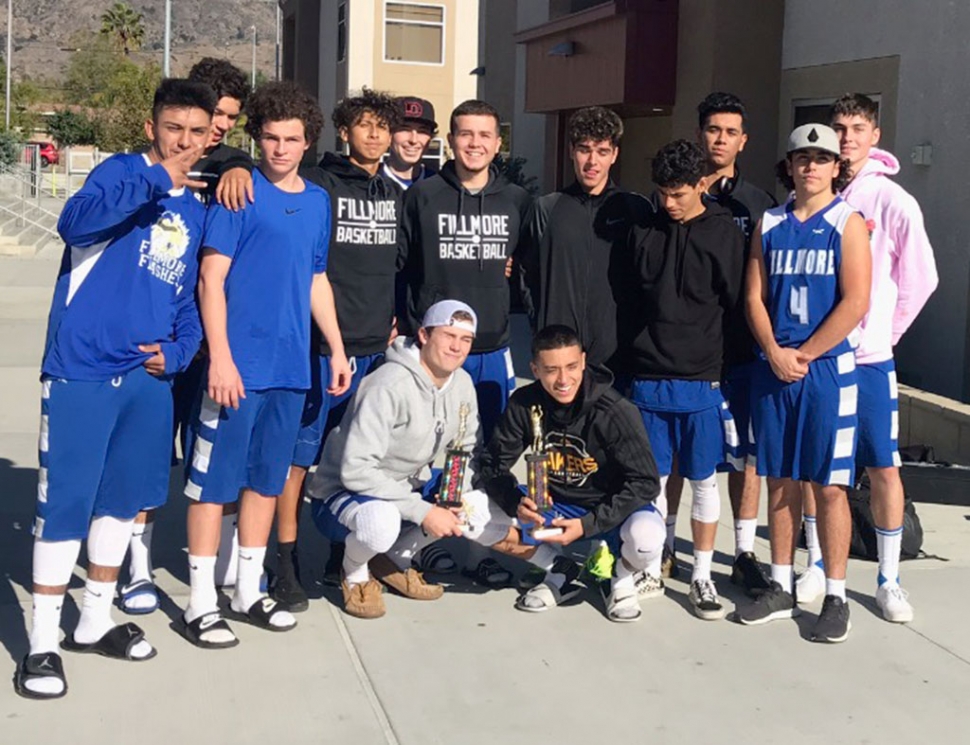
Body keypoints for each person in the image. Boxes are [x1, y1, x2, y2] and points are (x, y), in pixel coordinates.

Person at [14, 78, 214, 699]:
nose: (184, 141)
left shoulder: (196, 206)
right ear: (154, 127)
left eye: (196, 131)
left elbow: (184, 300)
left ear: (211, 135)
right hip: (82, 371)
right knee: (65, 504)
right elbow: (77, 226)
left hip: (146, 382)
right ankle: (43, 644)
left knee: (121, 504)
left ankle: (94, 621)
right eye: (173, 128)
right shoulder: (120, 172)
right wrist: (157, 175)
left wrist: (178, 352)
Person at [179, 81, 349, 648]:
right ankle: (202, 601)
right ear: (259, 139)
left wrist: (338, 347)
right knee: (212, 487)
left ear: (307, 143)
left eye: (291, 139)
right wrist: (221, 360)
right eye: (271, 138)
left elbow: (315, 278)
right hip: (237, 369)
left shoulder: (318, 201)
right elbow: (211, 279)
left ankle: (247, 589)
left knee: (265, 482)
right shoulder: (239, 191)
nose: (280, 148)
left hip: (291, 368)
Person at [796, 94, 937, 623]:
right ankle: (815, 562)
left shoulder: (892, 200)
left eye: (858, 127)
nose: (848, 136)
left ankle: (888, 578)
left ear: (875, 135)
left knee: (882, 466)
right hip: (821, 362)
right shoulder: (812, 197)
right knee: (819, 470)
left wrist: (884, 335)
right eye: (839, 127)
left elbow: (923, 279)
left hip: (871, 361)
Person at [123, 57, 255, 617]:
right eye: (214, 115)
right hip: (152, 337)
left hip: (205, 344)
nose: (220, 127)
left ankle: (224, 566)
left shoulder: (228, 166)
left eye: (228, 118)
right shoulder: (145, 169)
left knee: (211, 461)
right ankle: (135, 568)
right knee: (147, 461)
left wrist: (241, 163)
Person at [738, 123, 871, 643]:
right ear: (789, 165)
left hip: (826, 371)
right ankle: (779, 583)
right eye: (802, 158)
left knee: (829, 486)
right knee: (778, 478)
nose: (811, 167)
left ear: (836, 166)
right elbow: (754, 296)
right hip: (775, 369)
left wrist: (806, 354)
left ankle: (836, 594)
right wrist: (774, 351)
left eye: (821, 158)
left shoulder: (848, 221)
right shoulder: (769, 223)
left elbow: (855, 301)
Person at [272, 89, 404, 611]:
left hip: (376, 349)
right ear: (343, 132)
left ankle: (343, 555)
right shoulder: (319, 185)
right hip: (322, 350)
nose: (374, 135)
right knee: (298, 460)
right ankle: (284, 560)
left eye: (382, 127)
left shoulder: (393, 194)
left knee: (356, 462)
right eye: (363, 126)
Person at [305, 301, 514, 619]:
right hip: (342, 492)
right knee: (381, 523)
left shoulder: (461, 384)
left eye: (465, 340)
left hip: (406, 486)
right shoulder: (388, 384)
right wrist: (424, 511)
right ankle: (355, 572)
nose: (456, 347)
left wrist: (453, 495)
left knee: (477, 499)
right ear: (424, 335)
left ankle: (397, 560)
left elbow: (467, 447)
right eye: (448, 336)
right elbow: (356, 469)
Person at [612, 140, 745, 621]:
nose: (668, 203)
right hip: (647, 377)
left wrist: (726, 368)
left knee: (704, 480)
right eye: (662, 193)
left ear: (701, 184)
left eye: (678, 194)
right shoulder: (642, 229)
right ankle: (656, 556)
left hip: (703, 378)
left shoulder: (725, 232)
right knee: (654, 480)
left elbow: (735, 306)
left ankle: (703, 574)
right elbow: (625, 298)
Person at [661, 93, 778, 595]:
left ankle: (745, 550)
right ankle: (665, 543)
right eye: (713, 129)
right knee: (683, 458)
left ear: (743, 140)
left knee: (744, 457)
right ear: (700, 133)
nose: (721, 139)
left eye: (731, 131)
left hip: (744, 352)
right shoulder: (674, 195)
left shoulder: (759, 205)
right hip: (687, 354)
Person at [478, 325, 665, 622]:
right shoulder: (524, 403)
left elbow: (646, 483)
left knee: (647, 538)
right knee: (469, 512)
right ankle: (558, 570)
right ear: (535, 369)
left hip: (611, 511)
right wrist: (514, 501)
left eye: (572, 367)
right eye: (551, 370)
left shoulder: (614, 410)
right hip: (555, 507)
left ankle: (620, 577)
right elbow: (491, 464)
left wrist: (588, 525)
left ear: (583, 361)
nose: (564, 380)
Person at [399, 99, 532, 443]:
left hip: (492, 345)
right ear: (451, 138)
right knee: (422, 443)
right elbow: (401, 266)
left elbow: (528, 263)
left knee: (493, 445)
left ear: (498, 143)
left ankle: (482, 499)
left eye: (485, 135)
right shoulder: (421, 196)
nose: (476, 143)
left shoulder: (517, 200)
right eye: (466, 134)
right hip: (432, 347)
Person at [519, 106, 650, 368]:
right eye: (584, 149)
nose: (592, 162)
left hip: (619, 356)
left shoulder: (635, 209)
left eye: (602, 151)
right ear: (571, 151)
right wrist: (543, 323)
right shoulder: (547, 208)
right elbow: (527, 274)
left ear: (614, 154)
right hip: (559, 356)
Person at [381, 96, 437, 189]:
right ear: (389, 134)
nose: (413, 140)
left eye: (422, 131)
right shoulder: (371, 183)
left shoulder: (438, 185)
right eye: (405, 129)